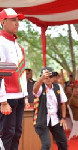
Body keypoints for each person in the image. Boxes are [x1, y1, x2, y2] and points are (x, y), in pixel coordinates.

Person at [0, 8, 30, 150]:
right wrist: (3, 100)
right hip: (7, 97)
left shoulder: (18, 46)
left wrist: (25, 96)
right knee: (7, 133)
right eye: (13, 20)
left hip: (19, 96)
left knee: (17, 133)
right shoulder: (0, 42)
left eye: (18, 20)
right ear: (3, 22)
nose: (17, 23)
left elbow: (22, 73)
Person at [33, 67, 68, 150]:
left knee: (63, 142)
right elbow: (35, 90)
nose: (48, 79)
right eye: (45, 77)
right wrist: (41, 79)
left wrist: (63, 118)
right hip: (42, 120)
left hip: (55, 119)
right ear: (42, 78)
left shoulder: (58, 87)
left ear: (53, 78)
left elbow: (63, 103)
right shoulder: (40, 87)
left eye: (50, 77)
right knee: (46, 144)